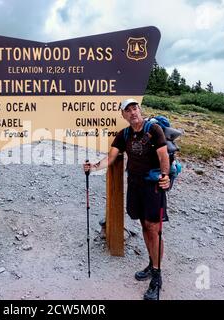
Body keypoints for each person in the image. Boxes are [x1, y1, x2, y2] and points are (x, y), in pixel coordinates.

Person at [83, 98, 170, 300]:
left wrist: (165, 176)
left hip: (153, 185)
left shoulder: (153, 130)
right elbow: (111, 157)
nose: (133, 112)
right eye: (128, 110)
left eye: (135, 108)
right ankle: (151, 263)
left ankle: (157, 276)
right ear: (123, 115)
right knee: (144, 225)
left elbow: (163, 156)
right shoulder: (125, 134)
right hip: (135, 184)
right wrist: (94, 167)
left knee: (153, 227)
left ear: (140, 109)